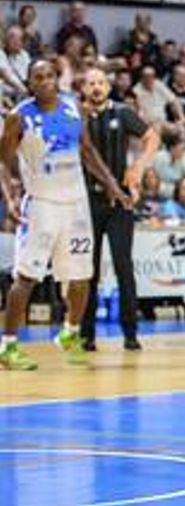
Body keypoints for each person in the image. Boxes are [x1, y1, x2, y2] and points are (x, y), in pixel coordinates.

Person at [0, 61, 130, 370]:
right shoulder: (19, 117)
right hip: (42, 204)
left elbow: (87, 151)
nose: (45, 81)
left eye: (49, 76)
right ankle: (8, 345)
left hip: (76, 204)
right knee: (27, 277)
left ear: (58, 79)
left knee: (82, 276)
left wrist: (112, 184)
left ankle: (70, 333)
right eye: (38, 77)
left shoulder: (74, 108)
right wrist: (13, 194)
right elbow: (4, 159)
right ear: (30, 83)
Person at [80, 67, 160, 352]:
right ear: (83, 87)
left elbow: (152, 138)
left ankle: (130, 332)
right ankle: (85, 333)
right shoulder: (76, 115)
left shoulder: (122, 113)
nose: (97, 87)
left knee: (123, 265)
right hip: (86, 200)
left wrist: (138, 167)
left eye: (101, 82)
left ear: (108, 86)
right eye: (91, 83)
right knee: (87, 270)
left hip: (120, 202)